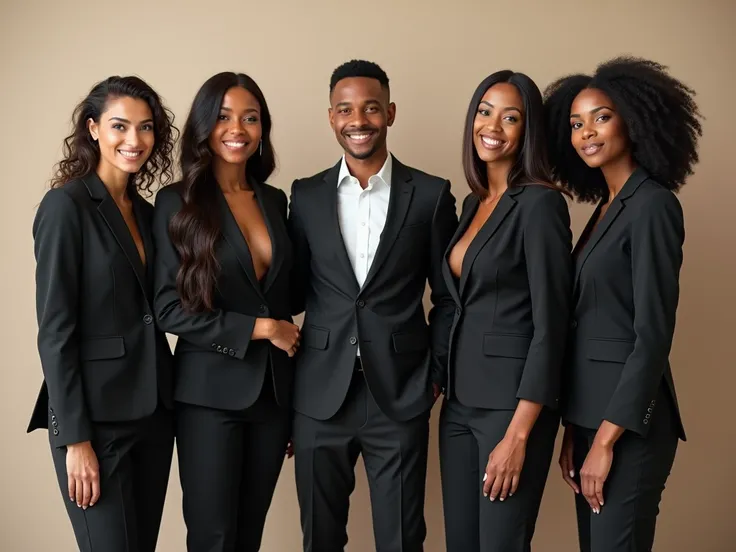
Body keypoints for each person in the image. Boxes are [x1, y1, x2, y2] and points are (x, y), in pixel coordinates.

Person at [287, 59, 458, 552]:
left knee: (402, 540)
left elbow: (447, 297)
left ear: (391, 112)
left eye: (370, 108)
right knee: (319, 538)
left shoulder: (429, 195)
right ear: (331, 117)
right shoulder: (306, 196)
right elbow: (292, 289)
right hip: (319, 394)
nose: (357, 120)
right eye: (345, 109)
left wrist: (437, 374)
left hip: (401, 394)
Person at [544, 56, 703, 552]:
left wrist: (606, 441)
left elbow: (651, 335)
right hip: (591, 419)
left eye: (601, 117)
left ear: (634, 121)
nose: (586, 132)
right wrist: (575, 429)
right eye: (575, 123)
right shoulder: (604, 209)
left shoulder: (653, 206)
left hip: (630, 426)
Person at [27, 76, 177, 552]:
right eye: (119, 126)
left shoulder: (150, 214)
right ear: (93, 129)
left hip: (154, 415)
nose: (134, 140)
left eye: (146, 128)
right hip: (94, 421)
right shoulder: (65, 207)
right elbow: (55, 331)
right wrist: (75, 440)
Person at [152, 72, 298, 551]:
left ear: (262, 130)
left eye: (250, 118)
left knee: (248, 536)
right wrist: (262, 328)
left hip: (274, 398)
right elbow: (169, 309)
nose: (237, 129)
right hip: (208, 398)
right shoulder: (177, 202)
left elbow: (291, 293)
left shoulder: (275, 201)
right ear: (204, 127)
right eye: (223, 117)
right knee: (213, 537)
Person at [439, 70, 572, 552]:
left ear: (527, 131)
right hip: (457, 405)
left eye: (510, 117)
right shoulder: (475, 203)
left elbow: (551, 327)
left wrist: (519, 434)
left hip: (510, 409)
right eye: (484, 110)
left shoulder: (540, 205)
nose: (492, 125)